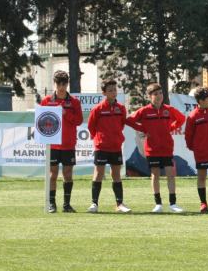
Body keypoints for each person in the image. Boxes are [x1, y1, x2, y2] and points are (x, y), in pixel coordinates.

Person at [126, 83, 186, 213]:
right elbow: (129, 120)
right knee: (155, 175)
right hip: (152, 148)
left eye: (160, 93)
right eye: (155, 94)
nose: (159, 96)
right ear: (149, 96)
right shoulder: (144, 111)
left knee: (170, 174)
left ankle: (173, 203)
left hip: (167, 148)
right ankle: (158, 204)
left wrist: (171, 127)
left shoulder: (169, 109)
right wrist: (143, 129)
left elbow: (181, 119)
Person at [41, 70, 83, 213]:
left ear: (67, 84)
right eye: (59, 83)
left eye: (64, 83)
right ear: (55, 83)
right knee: (52, 175)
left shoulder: (74, 102)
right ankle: (52, 204)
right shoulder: (47, 101)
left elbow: (79, 121)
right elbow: (40, 121)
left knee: (68, 174)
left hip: (68, 144)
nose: (61, 87)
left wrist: (66, 113)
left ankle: (67, 204)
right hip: (52, 144)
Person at [86, 79, 131, 213]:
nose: (113, 92)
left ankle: (120, 204)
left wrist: (115, 137)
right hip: (101, 147)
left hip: (115, 147)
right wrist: (99, 139)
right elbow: (91, 126)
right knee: (98, 173)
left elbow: (122, 124)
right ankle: (94, 204)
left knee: (116, 175)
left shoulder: (121, 108)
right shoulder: (98, 109)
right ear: (104, 93)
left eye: (114, 90)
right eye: (110, 90)